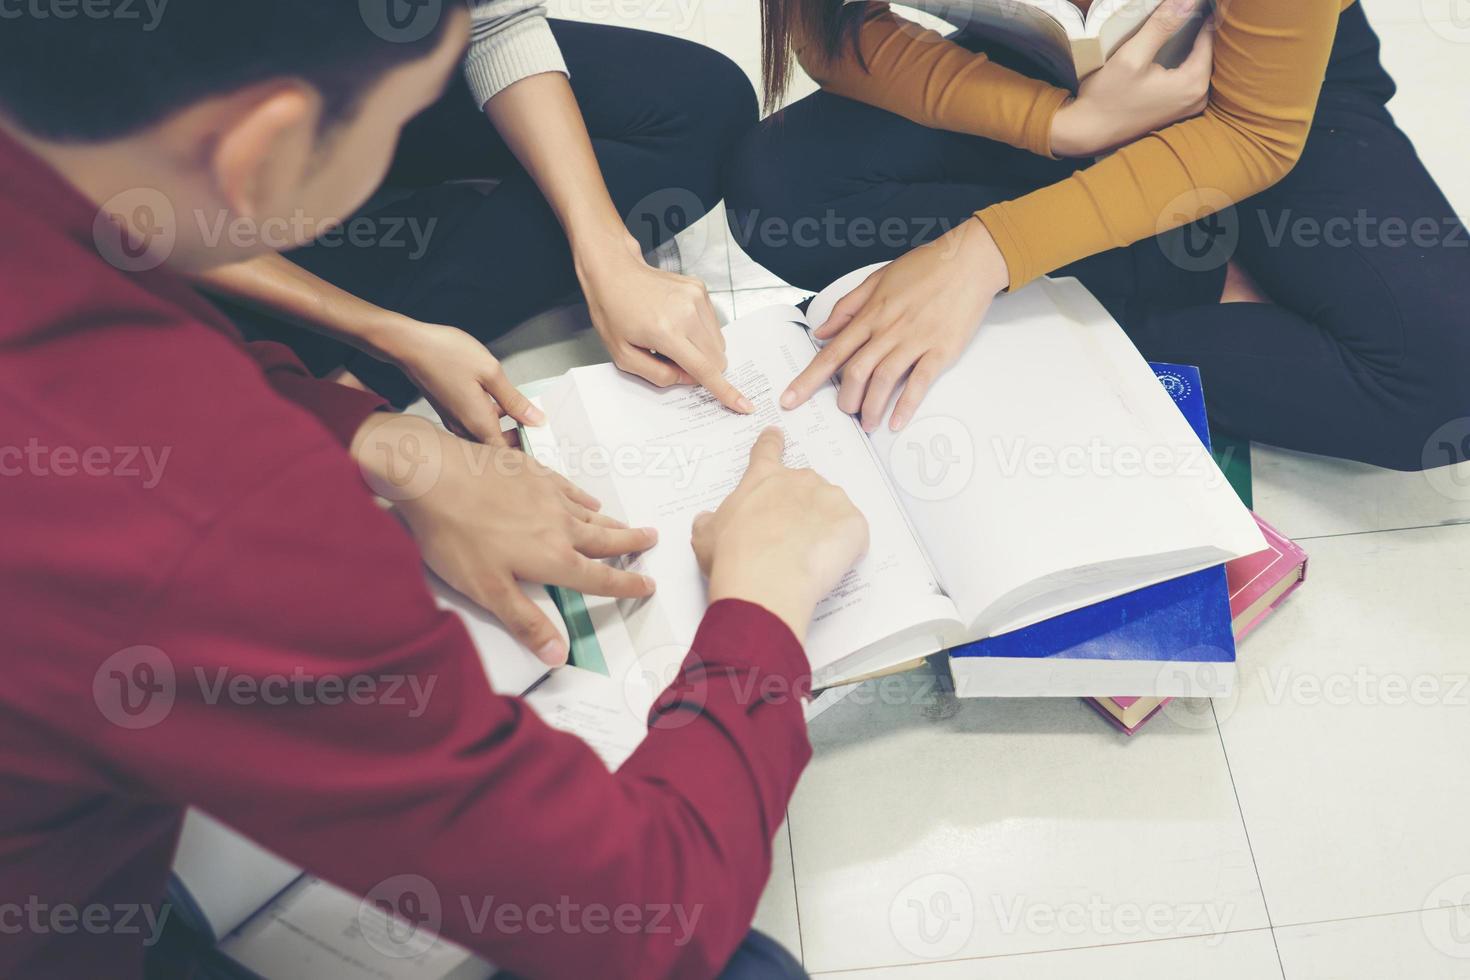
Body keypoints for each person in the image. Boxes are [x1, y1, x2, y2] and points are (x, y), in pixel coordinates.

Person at [0, 4, 869, 978]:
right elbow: (642, 915)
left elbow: (143, 330)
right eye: (399, 119)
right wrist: (763, 599)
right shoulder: (213, 510)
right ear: (266, 146)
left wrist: (375, 439)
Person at [724, 0, 1470, 471]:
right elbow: (828, 31)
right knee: (776, 191)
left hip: (1254, 89)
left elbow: (1255, 130)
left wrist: (987, 250)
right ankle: (1191, 269)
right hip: (1054, 75)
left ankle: (1147, 275)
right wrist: (1061, 125)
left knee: (1443, 388)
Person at [197, 1, 762, 439]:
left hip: (331, 95)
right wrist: (387, 340)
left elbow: (493, 20)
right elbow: (126, 214)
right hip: (182, 204)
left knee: (703, 108)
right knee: (208, 365)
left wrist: (607, 255)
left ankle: (421, 278)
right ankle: (369, 356)